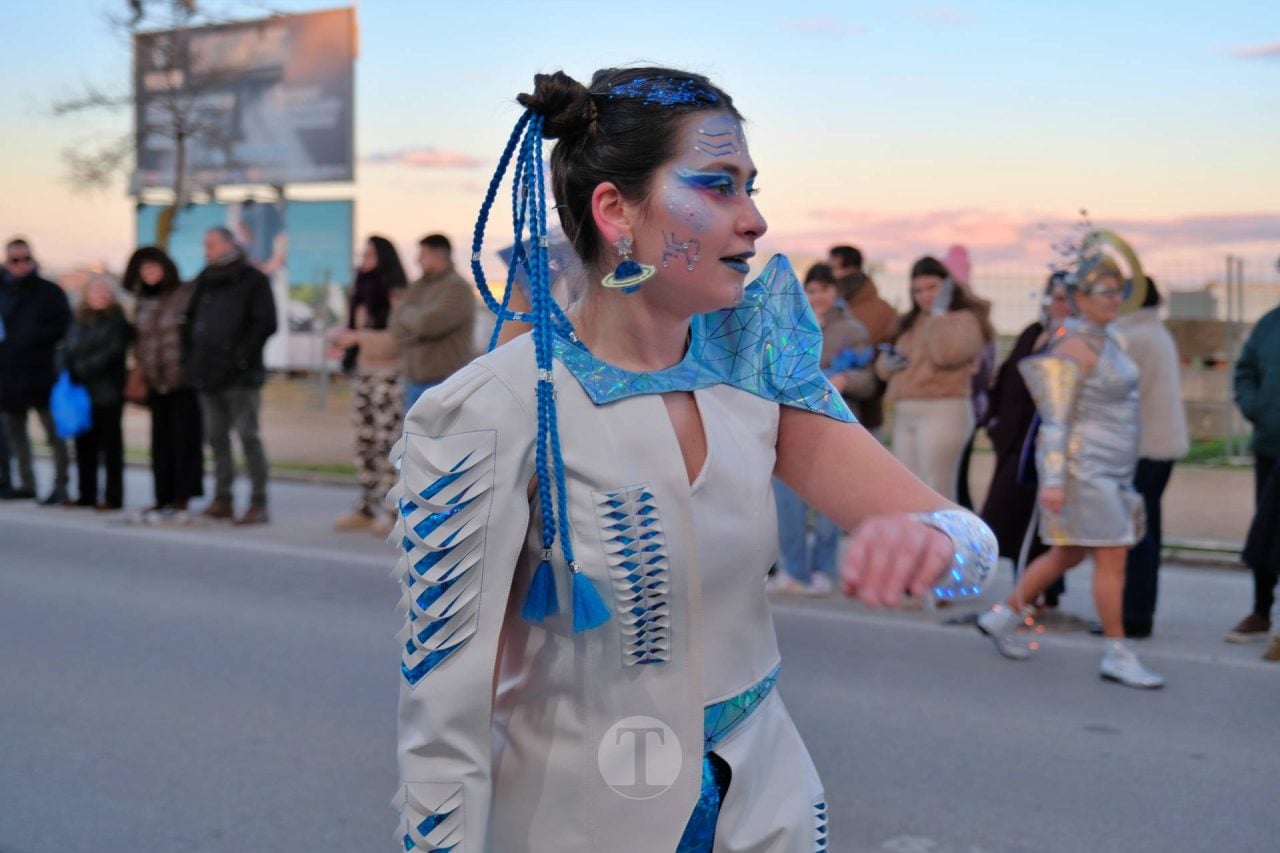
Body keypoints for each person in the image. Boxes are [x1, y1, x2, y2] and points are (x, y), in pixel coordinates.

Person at [390, 67, 996, 853]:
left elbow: (974, 550)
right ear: (616, 211)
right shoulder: (490, 410)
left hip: (766, 815)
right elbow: (443, 723)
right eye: (718, 186)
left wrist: (938, 546)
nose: (755, 220)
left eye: (751, 186)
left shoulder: (758, 367)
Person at [976, 256, 1163, 689]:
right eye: (1105, 292)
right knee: (1112, 556)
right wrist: (1055, 480)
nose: (1115, 299)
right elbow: (1053, 421)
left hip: (1113, 469)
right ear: (1080, 299)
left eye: (1119, 290)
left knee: (1069, 553)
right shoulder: (1072, 347)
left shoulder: (1109, 341)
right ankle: (1118, 652)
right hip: (1086, 470)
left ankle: (1002, 614)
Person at [768, 263, 876, 596]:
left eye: (824, 289)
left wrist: (846, 380)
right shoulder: (788, 324)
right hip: (793, 420)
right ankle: (793, 569)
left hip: (836, 424)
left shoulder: (853, 330)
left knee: (831, 502)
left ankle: (825, 570)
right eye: (811, 290)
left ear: (835, 291)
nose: (818, 297)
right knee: (787, 500)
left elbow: (871, 379)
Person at [980, 274, 1071, 597]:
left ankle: (1040, 593)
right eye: (1055, 298)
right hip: (1015, 441)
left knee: (1041, 522)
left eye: (1066, 298)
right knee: (1010, 515)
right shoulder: (1033, 333)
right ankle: (1028, 589)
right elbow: (1007, 378)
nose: (1060, 305)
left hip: (1045, 443)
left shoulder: (1071, 341)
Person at [184, 226, 278, 525]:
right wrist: (191, 360)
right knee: (216, 439)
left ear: (228, 245)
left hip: (241, 376)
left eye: (210, 244)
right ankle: (222, 498)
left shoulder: (253, 279)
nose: (205, 250)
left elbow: (265, 324)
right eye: (204, 244)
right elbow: (190, 321)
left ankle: (258, 503)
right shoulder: (205, 279)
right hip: (207, 375)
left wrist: (239, 359)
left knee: (248, 437)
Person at [875, 256, 987, 502]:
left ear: (947, 286)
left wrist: (938, 315)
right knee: (907, 492)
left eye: (932, 288)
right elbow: (883, 369)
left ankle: (947, 541)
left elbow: (946, 353)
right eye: (918, 291)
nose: (925, 296)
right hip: (905, 413)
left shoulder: (964, 320)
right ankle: (917, 541)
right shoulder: (909, 322)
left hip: (943, 409)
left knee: (936, 490)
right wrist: (888, 362)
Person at [1114, 277, 1188, 638]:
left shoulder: (1135, 338)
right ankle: (1136, 613)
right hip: (1159, 446)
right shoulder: (1152, 332)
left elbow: (1117, 393)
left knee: (1136, 535)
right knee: (1146, 531)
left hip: (1143, 448)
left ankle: (1134, 616)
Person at [330, 235, 409, 535]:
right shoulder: (360, 292)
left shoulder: (396, 294)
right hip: (363, 373)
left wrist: (359, 338)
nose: (365, 261)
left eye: (371, 255)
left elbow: (399, 337)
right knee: (364, 441)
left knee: (386, 442)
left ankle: (392, 509)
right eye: (363, 254)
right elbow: (359, 331)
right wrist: (343, 335)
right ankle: (366, 504)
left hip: (389, 375)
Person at [126, 246, 204, 517]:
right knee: (159, 444)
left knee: (184, 441)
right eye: (144, 270)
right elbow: (140, 340)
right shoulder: (141, 302)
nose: (150, 274)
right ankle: (162, 496)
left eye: (154, 268)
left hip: (182, 380)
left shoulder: (183, 295)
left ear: (165, 268)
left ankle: (182, 496)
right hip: (154, 382)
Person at [1225, 293, 1280, 644]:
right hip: (1270, 449)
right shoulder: (1269, 323)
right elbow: (1244, 370)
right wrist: (1254, 406)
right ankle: (1261, 611)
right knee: (1266, 532)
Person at [0, 237, 72, 504]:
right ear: (7, 262)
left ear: (33, 259)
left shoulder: (49, 292)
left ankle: (61, 485)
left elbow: (64, 326)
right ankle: (26, 482)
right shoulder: (2, 291)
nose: (21, 265)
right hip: (8, 374)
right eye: (15, 260)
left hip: (42, 372)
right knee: (16, 435)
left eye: (25, 259)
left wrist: (32, 337)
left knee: (54, 434)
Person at [62, 278, 132, 510]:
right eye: (95, 291)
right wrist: (67, 369)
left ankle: (113, 496)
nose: (100, 295)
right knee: (84, 445)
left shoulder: (117, 321)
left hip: (108, 391)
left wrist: (81, 369)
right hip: (81, 392)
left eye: (105, 291)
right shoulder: (78, 320)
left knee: (111, 447)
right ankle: (86, 493)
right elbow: (67, 348)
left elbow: (111, 352)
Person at [390, 233, 476, 412]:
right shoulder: (416, 287)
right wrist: (417, 322)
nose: (417, 260)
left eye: (422, 255)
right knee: (412, 439)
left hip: (445, 384)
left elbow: (429, 324)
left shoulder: (458, 288)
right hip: (413, 383)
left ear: (439, 255)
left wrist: (407, 314)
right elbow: (395, 326)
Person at [942, 244, 997, 509]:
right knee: (956, 479)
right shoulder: (978, 316)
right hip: (972, 404)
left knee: (953, 480)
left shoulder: (965, 319)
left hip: (964, 404)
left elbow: (981, 367)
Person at [827, 244, 895, 431]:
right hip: (820, 412)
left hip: (865, 413)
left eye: (833, 268)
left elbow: (885, 364)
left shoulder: (882, 311)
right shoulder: (821, 309)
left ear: (851, 269)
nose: (830, 274)